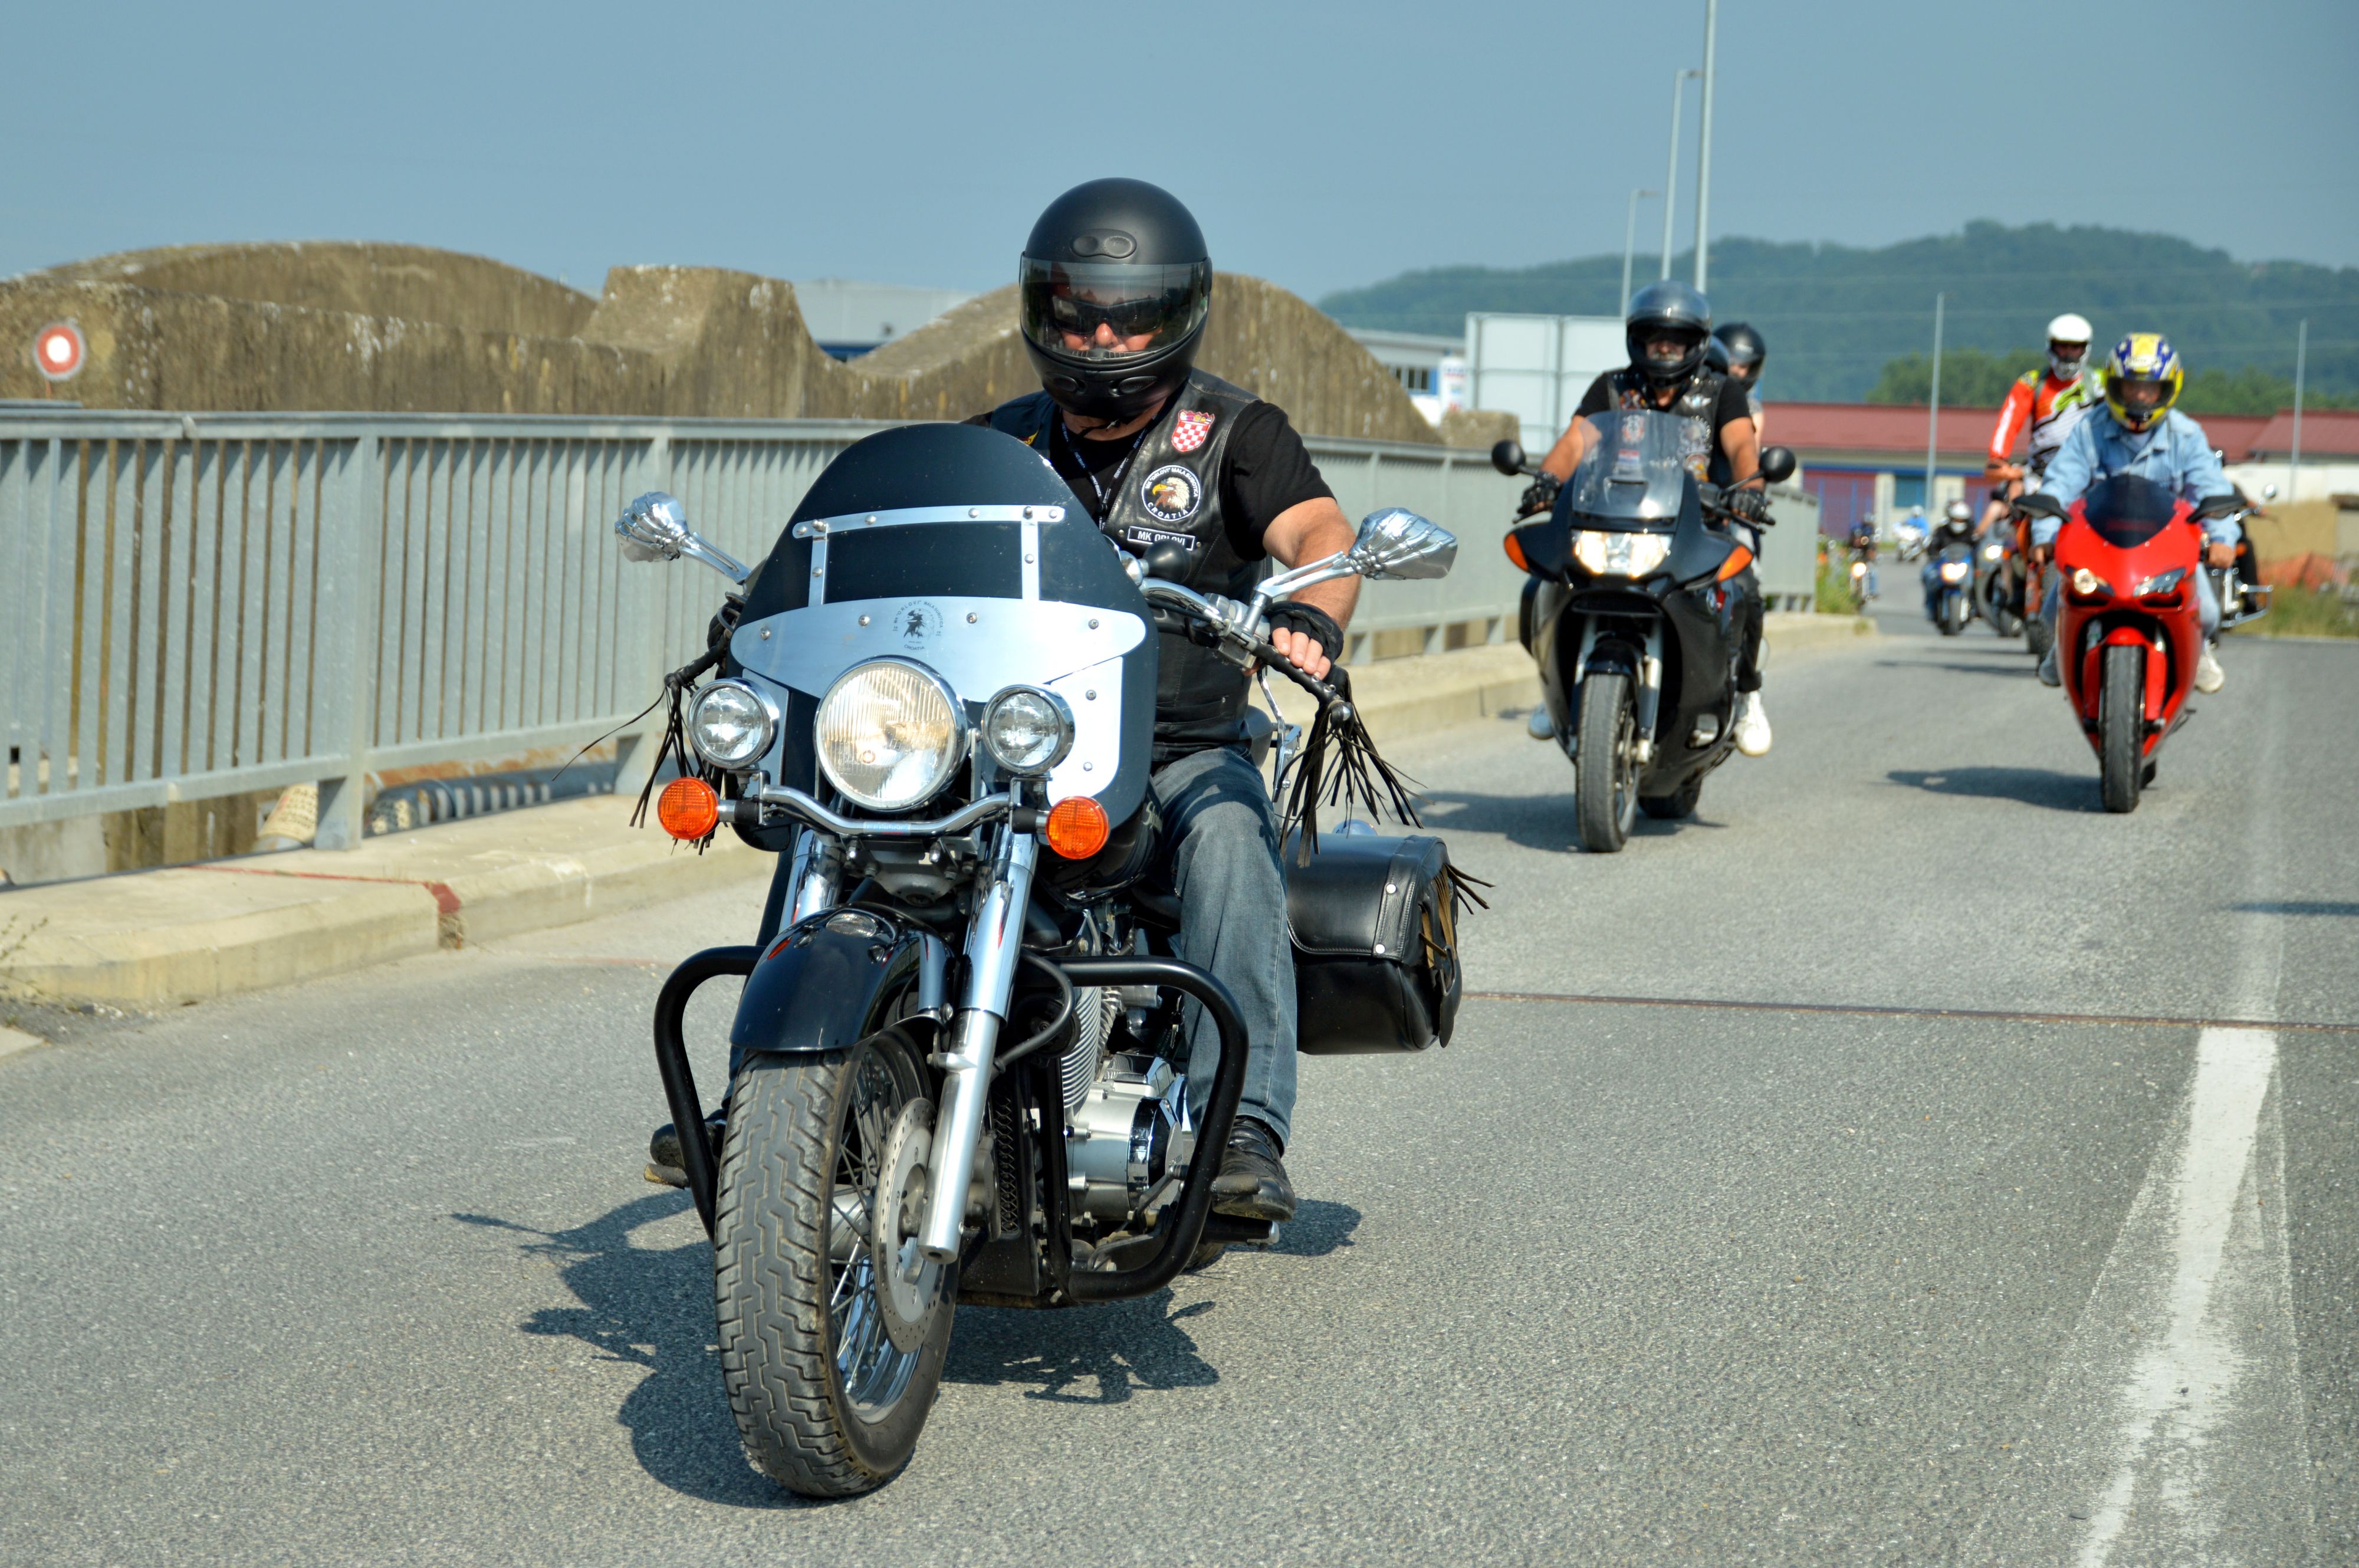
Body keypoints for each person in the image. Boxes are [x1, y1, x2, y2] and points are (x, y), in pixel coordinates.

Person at [1529, 280, 1772, 754]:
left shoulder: (1721, 392)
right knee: (1543, 581)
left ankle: (1748, 694)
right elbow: (1575, 441)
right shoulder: (1612, 387)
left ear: (1696, 342)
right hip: (1614, 517)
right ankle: (1554, 689)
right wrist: (1546, 480)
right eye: (1654, 336)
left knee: (1746, 588)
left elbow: (1743, 444)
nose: (1665, 346)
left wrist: (1751, 490)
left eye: (1676, 338)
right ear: (1636, 339)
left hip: (1701, 520)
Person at [2031, 333, 2238, 693]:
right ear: (2113, 386)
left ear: (2167, 390)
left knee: (2205, 613)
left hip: (2167, 549)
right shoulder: (2090, 429)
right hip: (2099, 545)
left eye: (2150, 389)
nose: (2140, 397)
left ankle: (2199, 650)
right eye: (2130, 387)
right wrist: (2045, 535)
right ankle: (2062, 649)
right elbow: (2059, 485)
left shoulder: (2186, 435)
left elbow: (2212, 489)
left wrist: (2222, 538)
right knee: (2053, 611)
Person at [1980, 313, 2098, 535]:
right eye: (2062, 347)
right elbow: (2009, 421)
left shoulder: (2100, 383)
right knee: (2015, 508)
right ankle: (2014, 560)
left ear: (2085, 349)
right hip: (2039, 472)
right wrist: (1998, 458)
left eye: (2075, 348)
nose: (2068, 354)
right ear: (2051, 347)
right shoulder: (2031, 383)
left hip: (2089, 473)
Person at [1921, 499, 1976, 618]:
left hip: (1965, 565)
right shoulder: (1942, 530)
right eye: (1956, 519)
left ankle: (1974, 606)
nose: (1959, 522)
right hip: (1945, 563)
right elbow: (1933, 545)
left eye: (1961, 519)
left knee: (1979, 580)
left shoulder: (1972, 531)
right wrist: (1933, 553)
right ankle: (1931, 606)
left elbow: (1979, 546)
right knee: (1928, 575)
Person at [1712, 322, 1767, 438]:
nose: (1736, 370)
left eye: (1743, 366)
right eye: (1732, 362)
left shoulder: (1751, 408)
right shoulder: (1691, 393)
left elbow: (1751, 448)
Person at [1846, 514, 1879, 600]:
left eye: (1859, 538)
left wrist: (1873, 558)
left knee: (1873, 573)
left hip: (1864, 564)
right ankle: (1845, 591)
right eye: (1855, 538)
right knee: (1845, 574)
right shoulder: (1849, 544)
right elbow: (1843, 552)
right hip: (1853, 565)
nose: (1857, 540)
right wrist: (1842, 558)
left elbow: (1871, 553)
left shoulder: (1867, 545)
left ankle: (1872, 592)